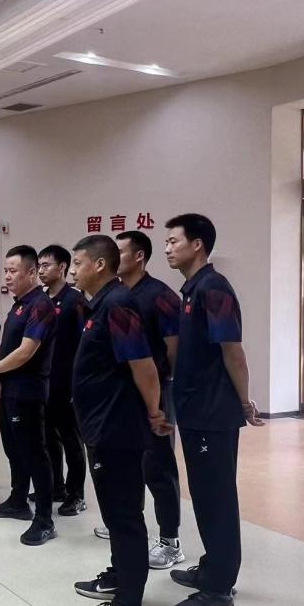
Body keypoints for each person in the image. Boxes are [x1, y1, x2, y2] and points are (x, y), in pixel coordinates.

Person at [164, 213, 264, 606]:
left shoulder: (214, 288)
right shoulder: (193, 289)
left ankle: (220, 591)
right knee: (205, 495)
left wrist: (244, 401)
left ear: (198, 244)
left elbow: (232, 351)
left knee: (216, 498)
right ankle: (213, 566)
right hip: (195, 409)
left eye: (174, 241)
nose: (167, 248)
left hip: (212, 412)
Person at [68, 235, 168, 606]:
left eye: (77, 263)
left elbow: (144, 365)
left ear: (99, 265)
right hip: (102, 425)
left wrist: (155, 411)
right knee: (114, 513)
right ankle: (119, 578)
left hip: (117, 429)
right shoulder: (101, 304)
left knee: (125, 517)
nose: (72, 271)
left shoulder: (118, 304)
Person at [116, 230, 185, 569]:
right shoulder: (116, 294)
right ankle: (132, 525)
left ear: (139, 256)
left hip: (158, 388)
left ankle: (170, 541)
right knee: (128, 461)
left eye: (120, 252)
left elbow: (174, 348)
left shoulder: (160, 296)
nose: (113, 258)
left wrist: (163, 386)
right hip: (124, 391)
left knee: (158, 464)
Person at [0, 245, 58, 546]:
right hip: (10, 389)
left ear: (31, 272)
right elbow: (8, 345)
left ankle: (44, 519)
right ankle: (17, 500)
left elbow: (27, 351)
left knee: (34, 454)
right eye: (5, 270)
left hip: (28, 392)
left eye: (13, 270)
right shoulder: (19, 305)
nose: (7, 276)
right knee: (14, 450)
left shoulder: (40, 305)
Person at [38, 244, 88, 515]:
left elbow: (83, 345)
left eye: (46, 265)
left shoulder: (75, 301)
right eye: (39, 266)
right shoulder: (41, 299)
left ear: (62, 268)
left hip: (67, 382)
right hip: (44, 381)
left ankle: (76, 494)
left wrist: (76, 384)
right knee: (47, 437)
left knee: (71, 439)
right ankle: (55, 486)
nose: (41, 271)